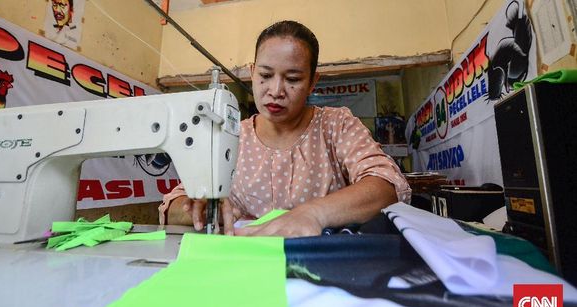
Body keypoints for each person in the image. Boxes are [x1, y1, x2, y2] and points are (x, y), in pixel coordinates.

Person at [159, 20, 411, 237]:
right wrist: (196, 207)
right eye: (265, 75)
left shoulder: (336, 126)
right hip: (244, 266)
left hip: (318, 268)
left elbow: (385, 186)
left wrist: (313, 214)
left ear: (313, 82)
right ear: (251, 72)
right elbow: (171, 206)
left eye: (292, 79)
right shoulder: (229, 137)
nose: (276, 91)